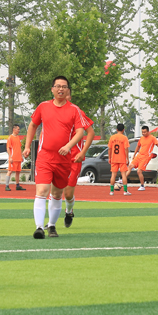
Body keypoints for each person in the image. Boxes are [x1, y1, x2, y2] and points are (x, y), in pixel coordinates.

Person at [22, 76, 93, 239]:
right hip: (45, 157)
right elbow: (33, 125)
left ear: (68, 90)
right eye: (58, 86)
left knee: (57, 193)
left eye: (64, 87)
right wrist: (27, 146)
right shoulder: (43, 106)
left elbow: (81, 132)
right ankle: (39, 227)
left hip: (65, 159)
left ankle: (52, 225)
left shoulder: (74, 110)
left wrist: (69, 146)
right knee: (42, 190)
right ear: (52, 89)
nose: (61, 89)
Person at [63, 90, 94, 228]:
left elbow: (91, 132)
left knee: (68, 194)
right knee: (53, 191)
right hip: (57, 158)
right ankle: (51, 223)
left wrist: (82, 152)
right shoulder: (52, 111)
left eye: (66, 94)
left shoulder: (78, 112)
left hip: (74, 158)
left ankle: (69, 211)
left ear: (69, 96)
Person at [130, 126, 158, 191]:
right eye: (142, 132)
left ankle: (142, 185)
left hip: (146, 157)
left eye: (144, 132)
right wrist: (134, 154)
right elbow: (138, 146)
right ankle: (122, 180)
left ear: (148, 132)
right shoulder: (141, 138)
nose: (143, 133)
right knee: (130, 166)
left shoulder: (152, 138)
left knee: (139, 171)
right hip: (139, 155)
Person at [108, 124, 131, 196]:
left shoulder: (112, 137)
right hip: (122, 158)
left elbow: (109, 148)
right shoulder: (124, 138)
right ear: (123, 130)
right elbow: (126, 149)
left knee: (113, 175)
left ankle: (111, 191)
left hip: (114, 158)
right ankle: (125, 191)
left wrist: (109, 158)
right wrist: (127, 158)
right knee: (123, 175)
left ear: (116, 129)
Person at [5, 124, 26, 191]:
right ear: (14, 129)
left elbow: (19, 147)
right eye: (18, 129)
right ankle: (7, 185)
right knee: (10, 171)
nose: (19, 130)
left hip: (18, 158)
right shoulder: (10, 138)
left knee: (18, 172)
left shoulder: (18, 137)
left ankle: (17, 185)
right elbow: (8, 148)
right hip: (13, 158)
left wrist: (21, 156)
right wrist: (10, 157)